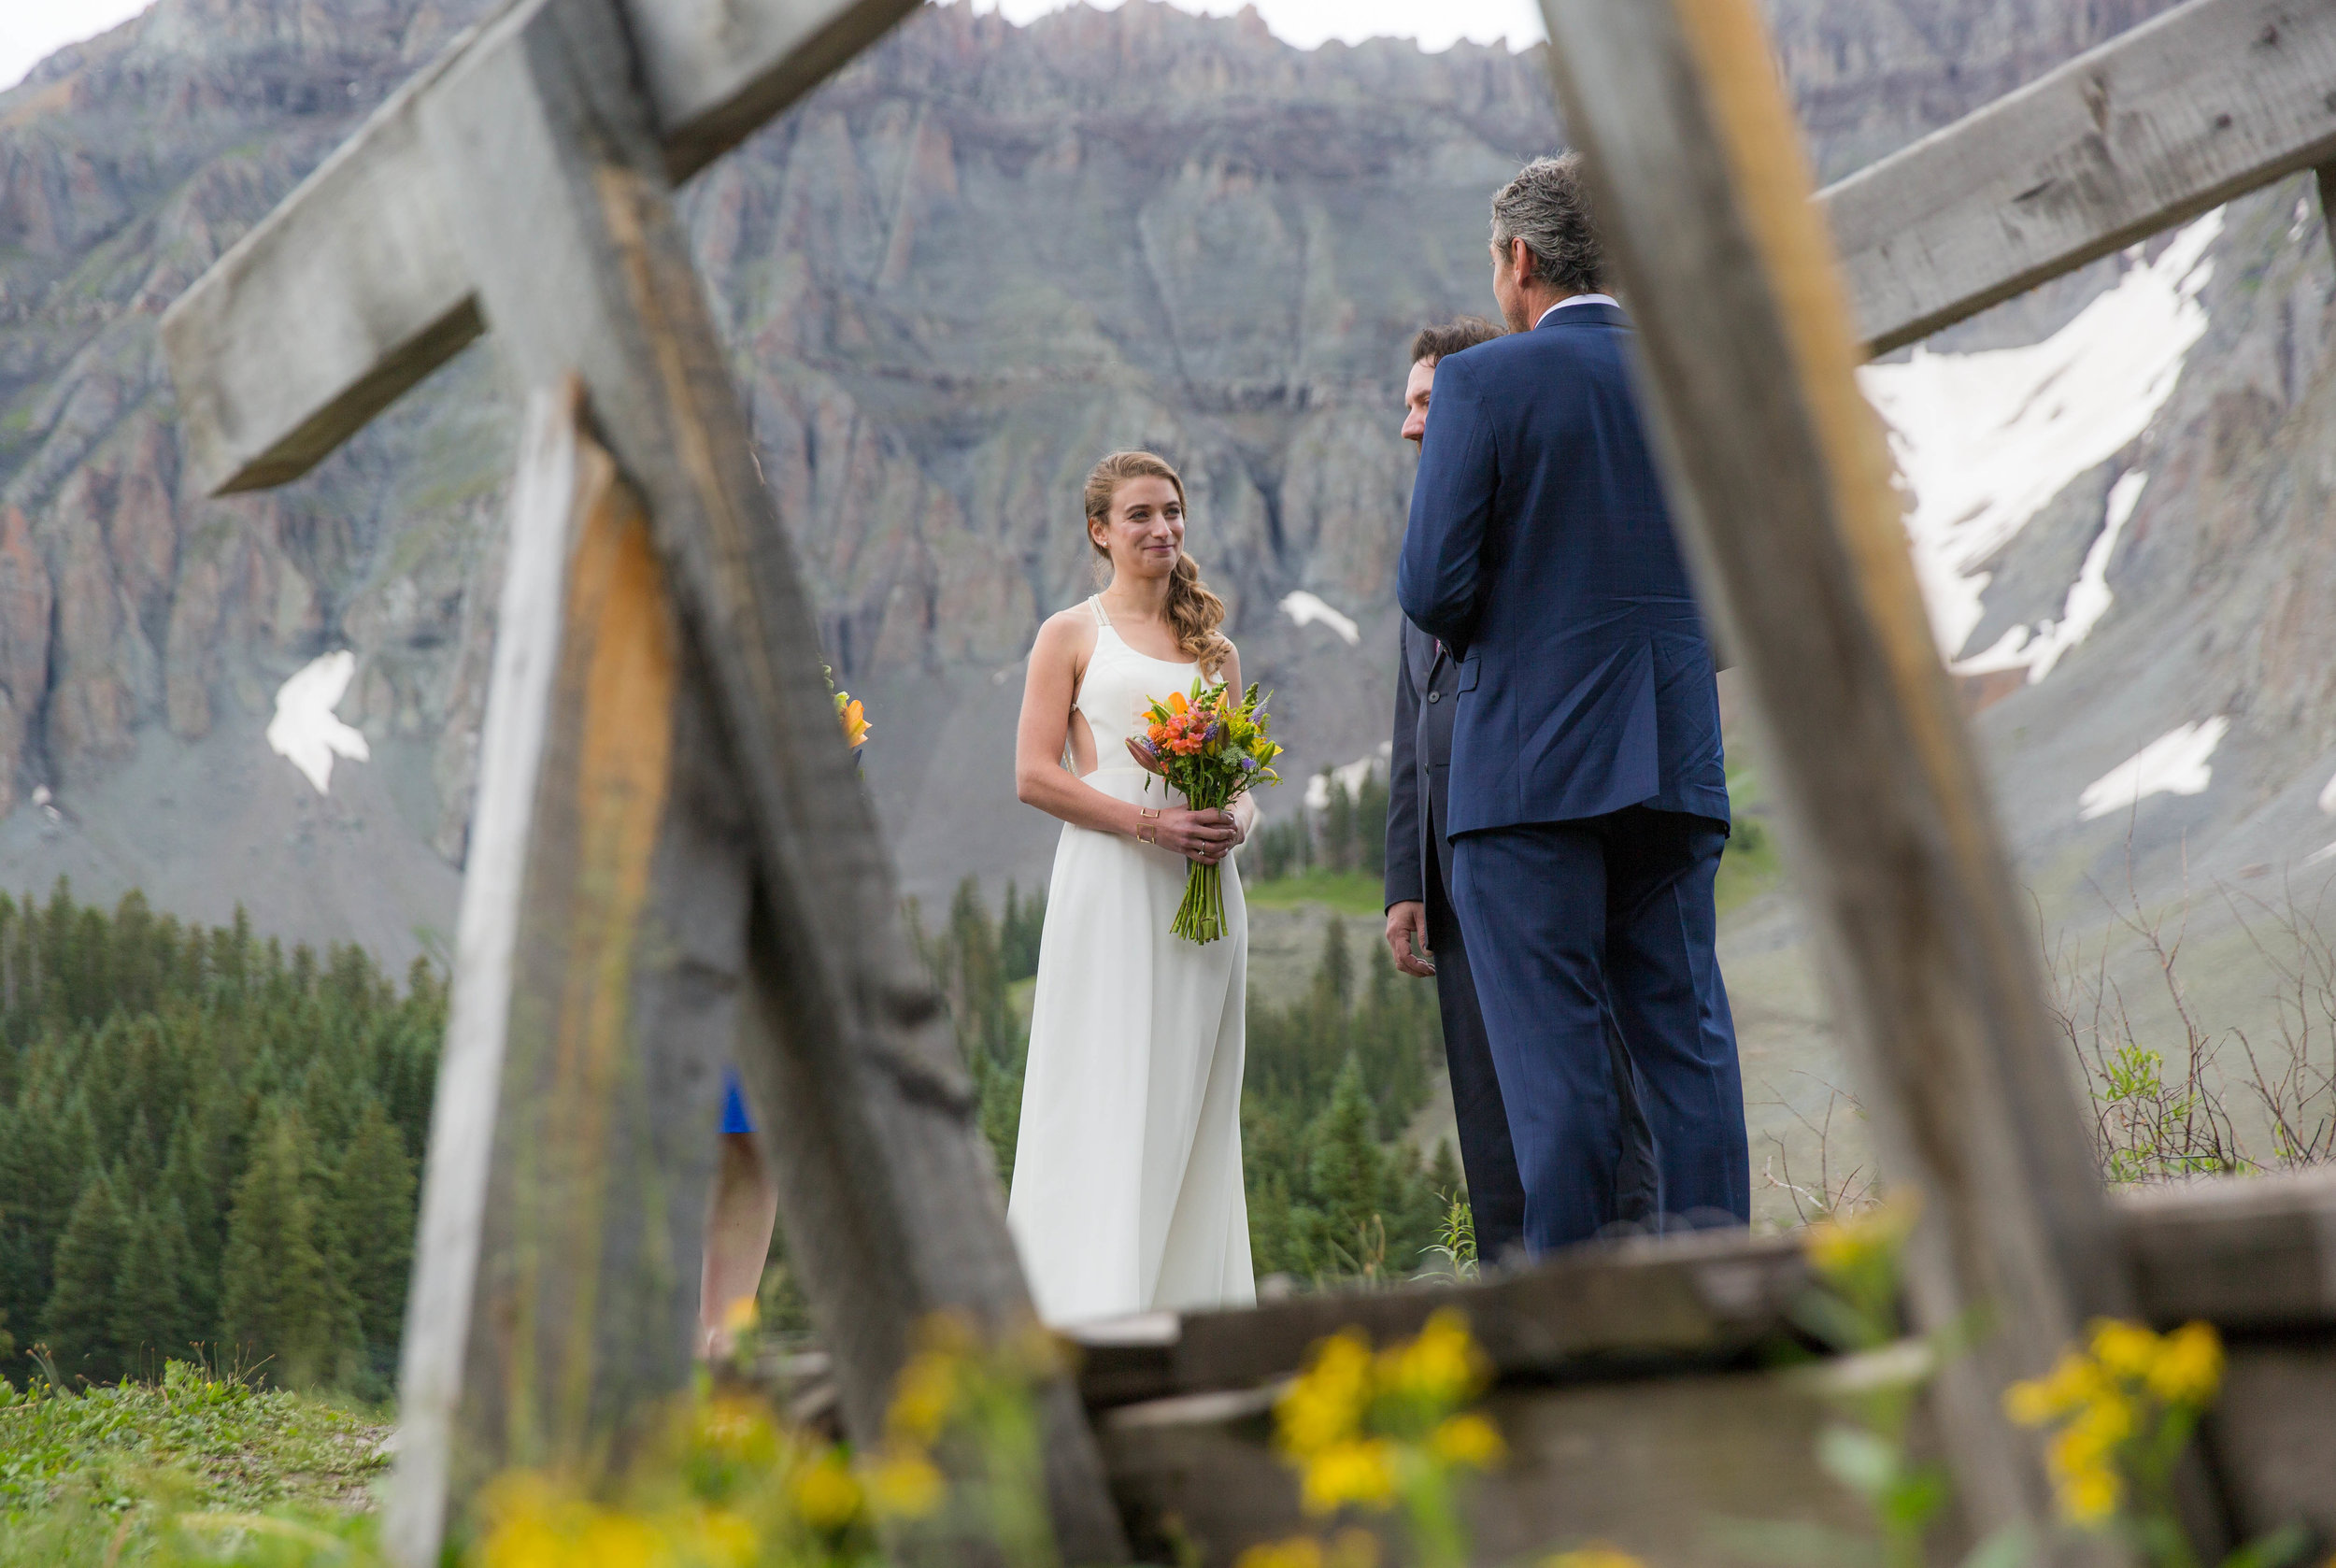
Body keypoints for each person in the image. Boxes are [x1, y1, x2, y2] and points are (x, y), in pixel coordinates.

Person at [1399, 156, 1749, 1253]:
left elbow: (1433, 590)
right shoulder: (1701, 381)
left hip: (1523, 782)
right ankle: (1726, 1296)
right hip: (1671, 763)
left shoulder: (1483, 385)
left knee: (1556, 1081)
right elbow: (1742, 600)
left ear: (1520, 260)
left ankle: (1579, 1319)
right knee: (1687, 1052)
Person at [1386, 318, 1660, 1265]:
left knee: (1580, 1075)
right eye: (1411, 405)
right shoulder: (1428, 522)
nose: (1414, 425)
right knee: (1488, 1089)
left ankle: (1618, 1266)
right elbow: (1408, 723)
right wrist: (1405, 877)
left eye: (1426, 402)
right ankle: (1517, 1278)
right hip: (1456, 849)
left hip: (1530, 818)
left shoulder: (1520, 503)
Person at [1005, 450, 1257, 1323]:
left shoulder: (1213, 650)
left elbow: (1242, 783)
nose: (1163, 529)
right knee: (1107, 1091)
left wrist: (1227, 820)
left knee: (1190, 1099)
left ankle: (1190, 1308)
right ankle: (1090, 1308)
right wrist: (1150, 822)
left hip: (1204, 896)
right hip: (1111, 887)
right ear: (1100, 531)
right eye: (1142, 515)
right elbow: (1034, 776)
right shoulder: (1070, 634)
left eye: (1173, 512)